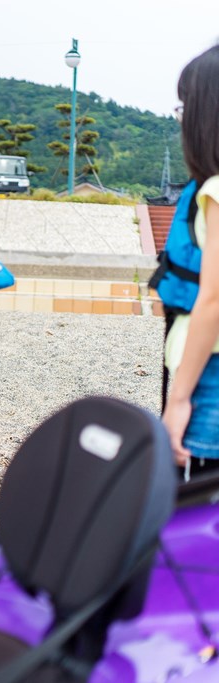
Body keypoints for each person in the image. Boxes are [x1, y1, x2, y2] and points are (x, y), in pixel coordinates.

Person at [160, 45, 219, 479]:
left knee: (198, 512)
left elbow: (213, 300)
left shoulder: (214, 192)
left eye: (185, 107)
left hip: (208, 386)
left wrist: (179, 398)